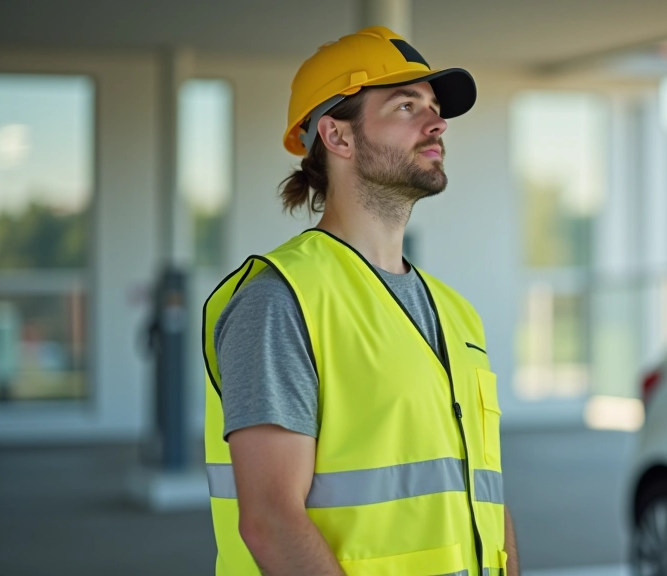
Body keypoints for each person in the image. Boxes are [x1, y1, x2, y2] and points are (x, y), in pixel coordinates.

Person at [201, 26, 518, 576]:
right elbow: (271, 521)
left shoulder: (456, 312)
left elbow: (483, 493)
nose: (437, 122)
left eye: (435, 106)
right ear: (337, 137)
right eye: (405, 105)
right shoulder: (280, 301)